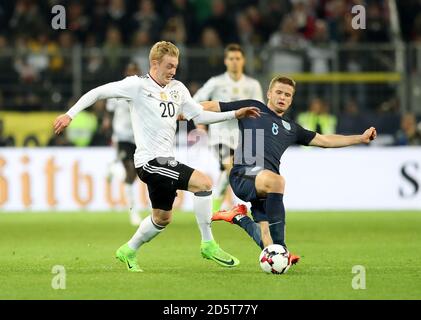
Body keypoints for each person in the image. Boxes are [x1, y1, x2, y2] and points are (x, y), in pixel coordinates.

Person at [53, 41, 260, 272]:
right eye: (169, 65)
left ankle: (128, 250)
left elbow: (199, 116)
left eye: (176, 66)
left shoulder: (178, 89)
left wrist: (235, 114)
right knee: (204, 183)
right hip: (150, 161)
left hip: (164, 160)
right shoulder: (136, 86)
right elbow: (98, 92)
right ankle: (208, 244)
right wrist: (70, 114)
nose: (173, 70)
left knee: (162, 218)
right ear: (154, 63)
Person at [201, 75, 377, 267]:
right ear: (269, 94)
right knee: (278, 182)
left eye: (287, 94)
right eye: (278, 92)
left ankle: (238, 217)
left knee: (266, 242)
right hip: (244, 173)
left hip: (265, 184)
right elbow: (215, 106)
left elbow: (325, 141)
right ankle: (283, 249)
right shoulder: (254, 108)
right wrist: (185, 108)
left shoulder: (292, 129)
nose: (282, 97)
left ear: (291, 99)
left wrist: (360, 138)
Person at [193, 43, 263, 211]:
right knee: (231, 165)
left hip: (243, 137)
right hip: (220, 135)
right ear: (225, 61)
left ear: (243, 60)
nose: (234, 62)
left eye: (237, 58)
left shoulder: (253, 85)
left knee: (230, 171)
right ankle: (227, 204)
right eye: (231, 58)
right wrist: (200, 123)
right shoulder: (216, 82)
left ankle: (215, 204)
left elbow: (260, 111)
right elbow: (195, 102)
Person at [104, 62, 143, 226]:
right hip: (122, 136)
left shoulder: (144, 91)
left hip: (138, 137)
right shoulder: (117, 89)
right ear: (126, 72)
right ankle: (133, 212)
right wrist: (106, 120)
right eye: (129, 71)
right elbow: (109, 109)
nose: (132, 74)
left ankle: (113, 168)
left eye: (135, 71)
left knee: (137, 173)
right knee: (130, 170)